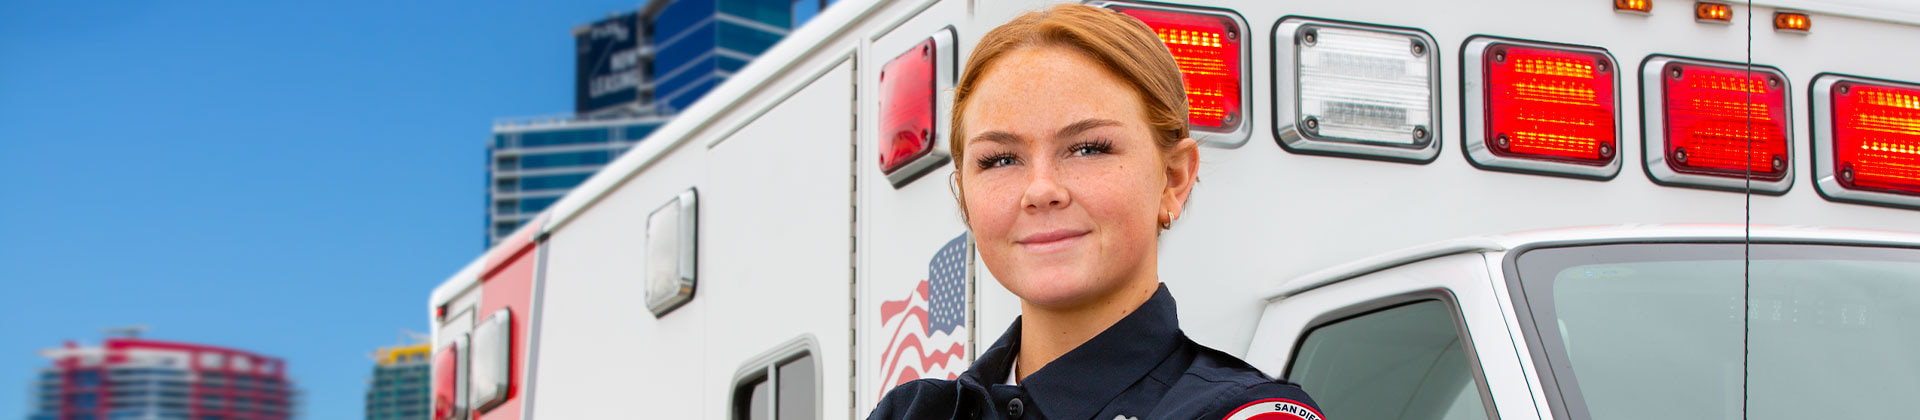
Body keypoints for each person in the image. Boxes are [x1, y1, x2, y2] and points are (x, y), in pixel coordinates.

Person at [867, 4, 1325, 420]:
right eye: (1000, 159)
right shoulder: (912, 413)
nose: (1041, 189)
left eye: (1088, 148)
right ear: (964, 194)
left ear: (1173, 179)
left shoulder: (1250, 415)